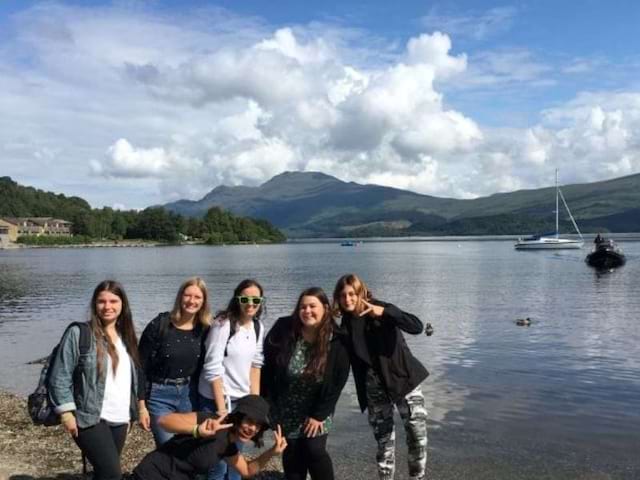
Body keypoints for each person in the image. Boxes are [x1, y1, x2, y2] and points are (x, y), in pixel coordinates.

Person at [333, 273, 429, 480]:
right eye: (342, 295)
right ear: (338, 299)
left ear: (361, 293)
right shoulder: (345, 326)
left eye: (352, 294)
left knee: (417, 437)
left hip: (405, 381)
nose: (347, 299)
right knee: (384, 445)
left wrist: (386, 312)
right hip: (374, 390)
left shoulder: (381, 309)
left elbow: (417, 327)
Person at [49, 280, 142, 480]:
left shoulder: (127, 337)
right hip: (90, 418)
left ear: (122, 305)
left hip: (121, 418)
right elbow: (60, 375)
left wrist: (135, 411)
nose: (107, 306)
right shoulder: (79, 333)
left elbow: (133, 379)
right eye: (102, 301)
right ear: (94, 304)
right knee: (112, 474)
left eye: (113, 301)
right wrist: (66, 414)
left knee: (103, 473)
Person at [262, 287, 350, 480]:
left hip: (318, 406)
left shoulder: (337, 339)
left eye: (312, 306)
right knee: (292, 451)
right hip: (285, 406)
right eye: (303, 307)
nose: (307, 311)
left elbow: (338, 380)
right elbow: (266, 366)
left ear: (325, 308)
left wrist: (319, 415)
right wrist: (265, 401)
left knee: (314, 449)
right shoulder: (284, 328)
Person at [198, 279, 266, 480]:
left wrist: (254, 406)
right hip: (215, 401)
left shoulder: (257, 327)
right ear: (237, 299)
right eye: (245, 298)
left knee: (236, 461)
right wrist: (221, 409)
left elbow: (256, 364)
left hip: (242, 405)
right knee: (217, 463)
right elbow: (212, 367)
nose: (251, 303)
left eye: (256, 299)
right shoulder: (223, 324)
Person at [131, 394, 287, 480]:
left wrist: (271, 452)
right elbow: (164, 421)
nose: (252, 428)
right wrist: (197, 430)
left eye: (258, 425)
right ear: (239, 416)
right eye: (249, 421)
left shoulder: (229, 446)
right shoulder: (211, 421)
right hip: (153, 473)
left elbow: (246, 470)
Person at [138, 277, 212, 446]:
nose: (191, 301)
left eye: (197, 297)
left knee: (188, 445)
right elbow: (139, 366)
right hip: (159, 395)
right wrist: (141, 407)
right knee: (167, 446)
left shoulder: (205, 329)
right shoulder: (160, 324)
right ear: (180, 297)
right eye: (187, 295)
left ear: (204, 302)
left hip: (189, 394)